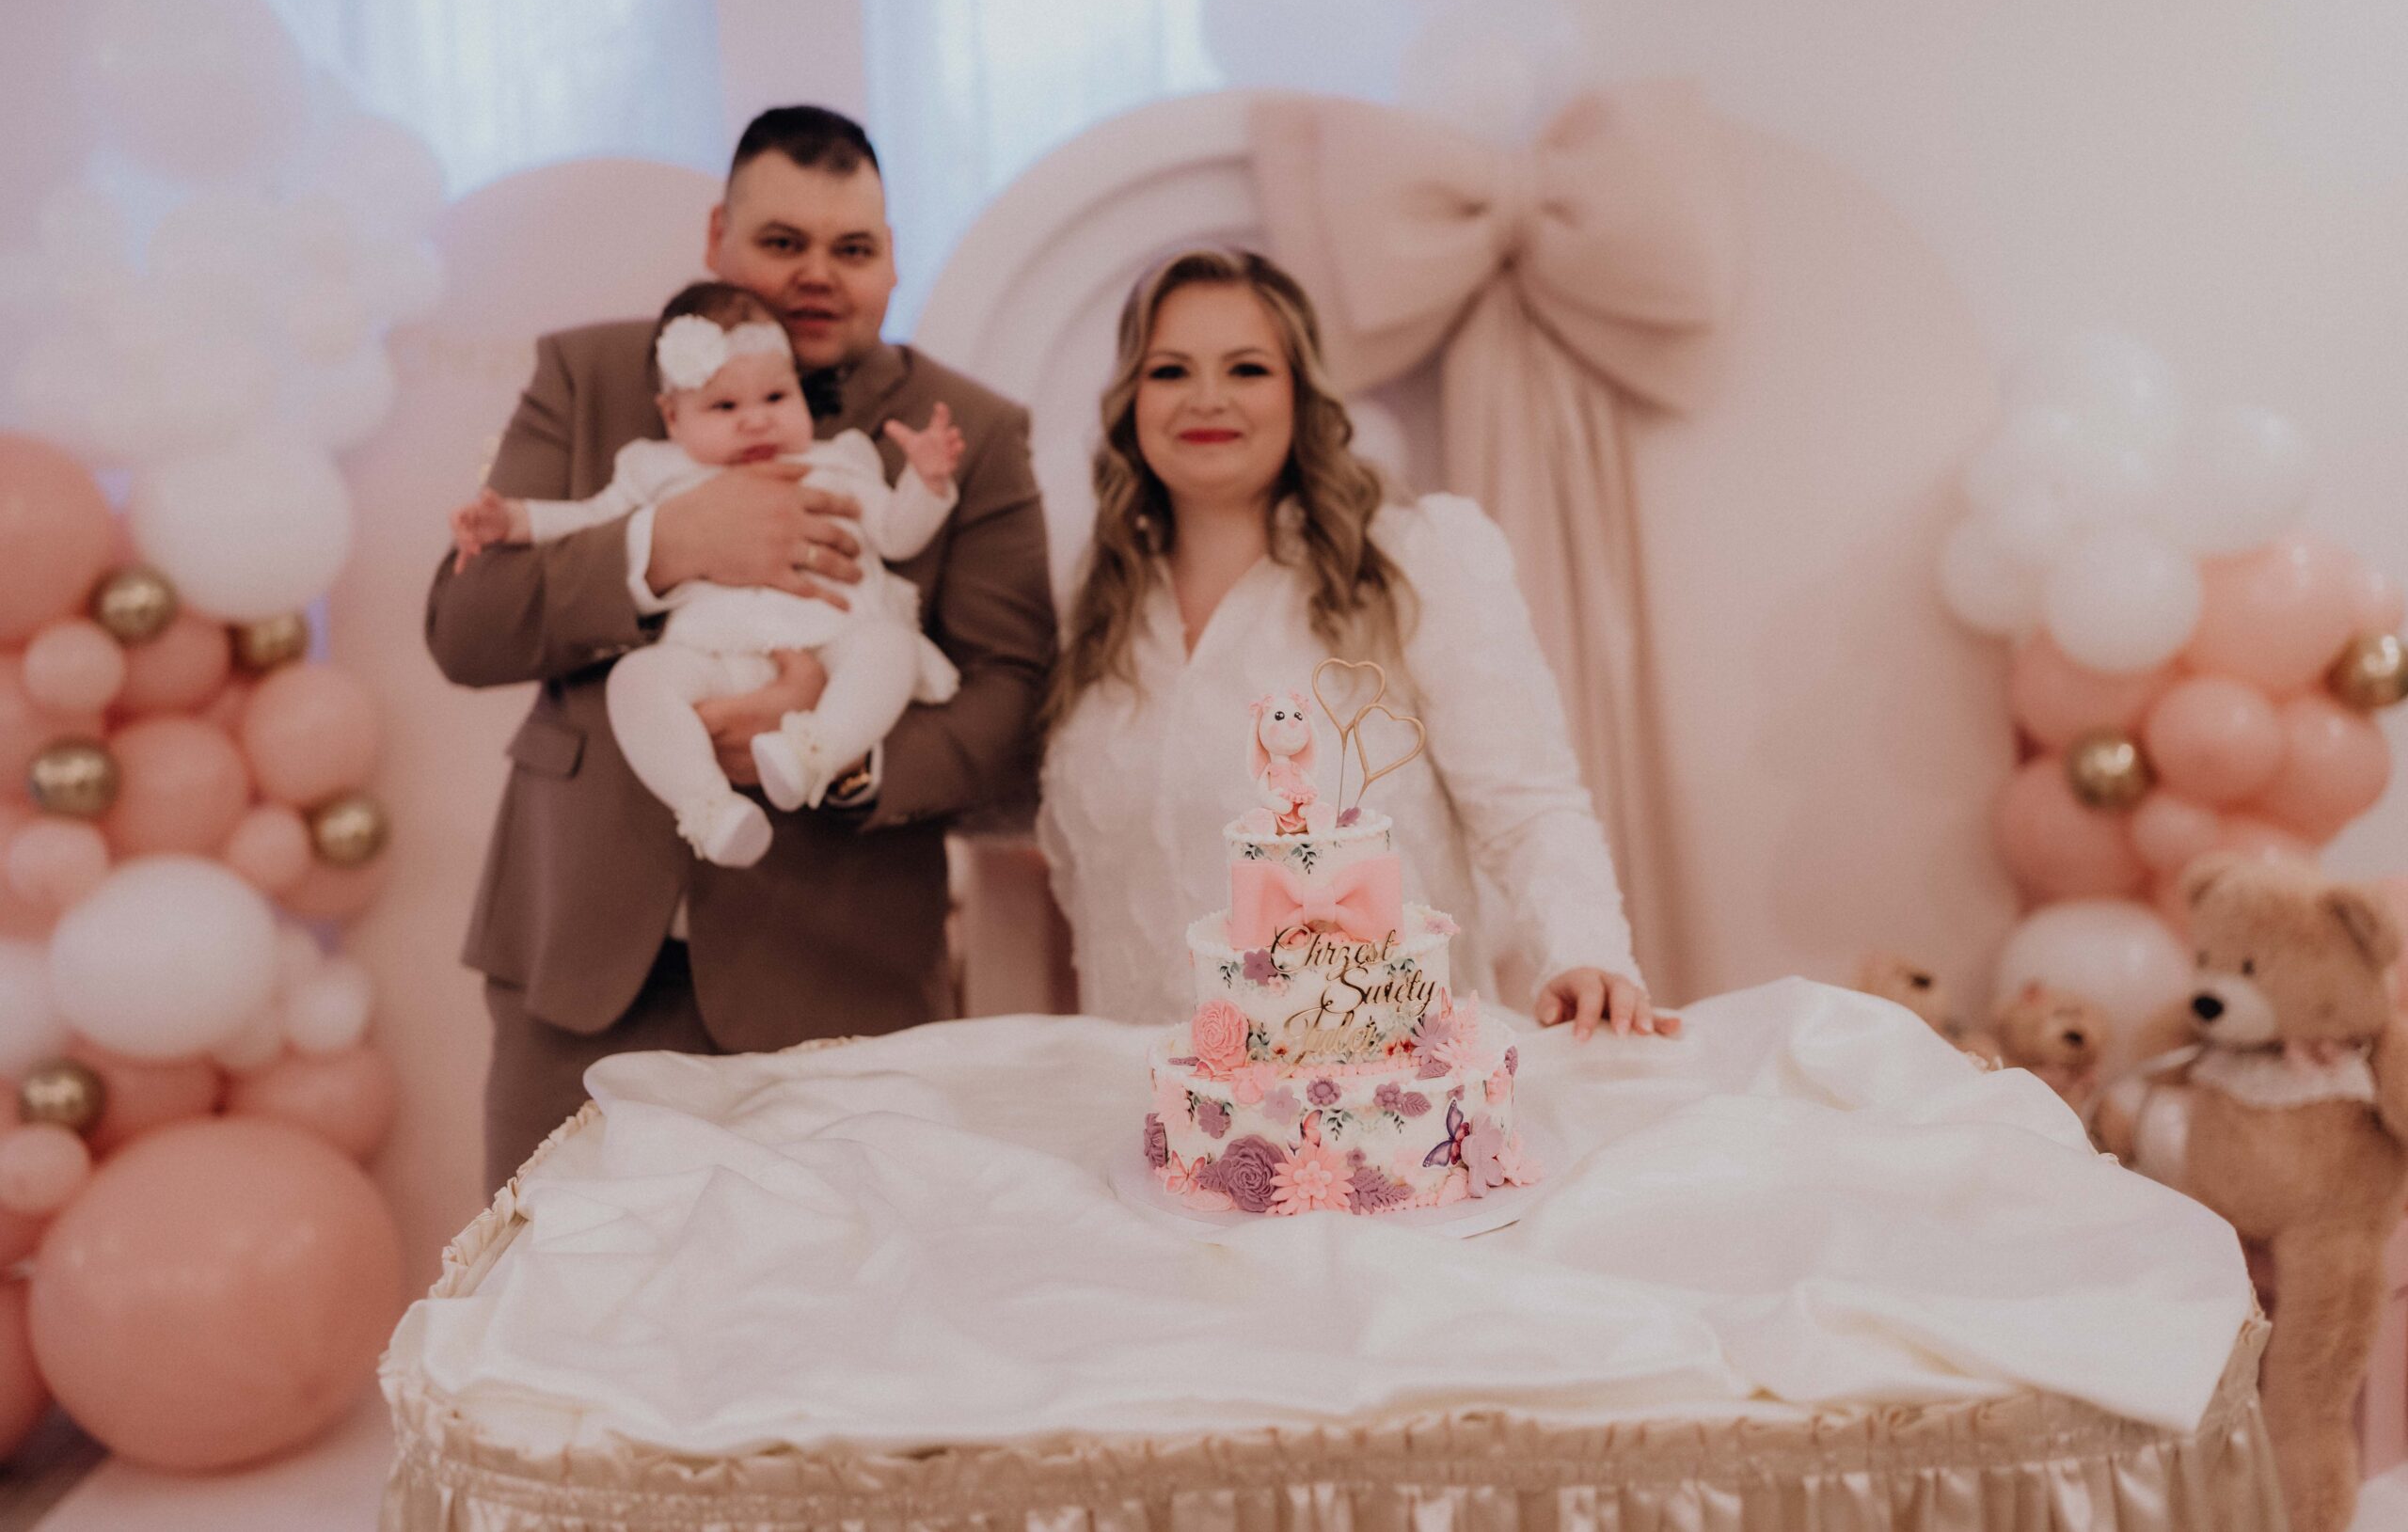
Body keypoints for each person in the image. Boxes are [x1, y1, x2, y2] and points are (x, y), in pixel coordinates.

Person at [427, 106, 1054, 1193]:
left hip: (840, 983)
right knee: (553, 1284)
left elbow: (1013, 703)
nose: (817, 274)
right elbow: (468, 626)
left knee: (837, 1290)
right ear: (718, 237)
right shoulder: (590, 377)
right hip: (581, 965)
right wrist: (664, 546)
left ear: (890, 260)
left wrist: (845, 753)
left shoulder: (964, 434)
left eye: (850, 248)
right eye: (781, 241)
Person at [1037, 246, 1674, 1042]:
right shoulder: (1089, 603)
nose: (1207, 398)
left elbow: (1528, 806)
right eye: (1169, 371)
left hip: (1385, 1087)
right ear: (1130, 397)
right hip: (1153, 1092)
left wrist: (1586, 953)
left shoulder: (1416, 560)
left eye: (1247, 368)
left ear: (1300, 393)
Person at [451, 281, 968, 864]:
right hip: (713, 655)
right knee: (637, 681)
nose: (757, 422)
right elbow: (590, 519)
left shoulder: (836, 462)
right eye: (725, 407)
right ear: (673, 418)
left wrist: (927, 483)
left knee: (888, 648)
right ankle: (709, 810)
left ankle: (815, 752)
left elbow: (897, 534)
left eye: (776, 397)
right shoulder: (657, 472)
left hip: (830, 645)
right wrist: (514, 520)